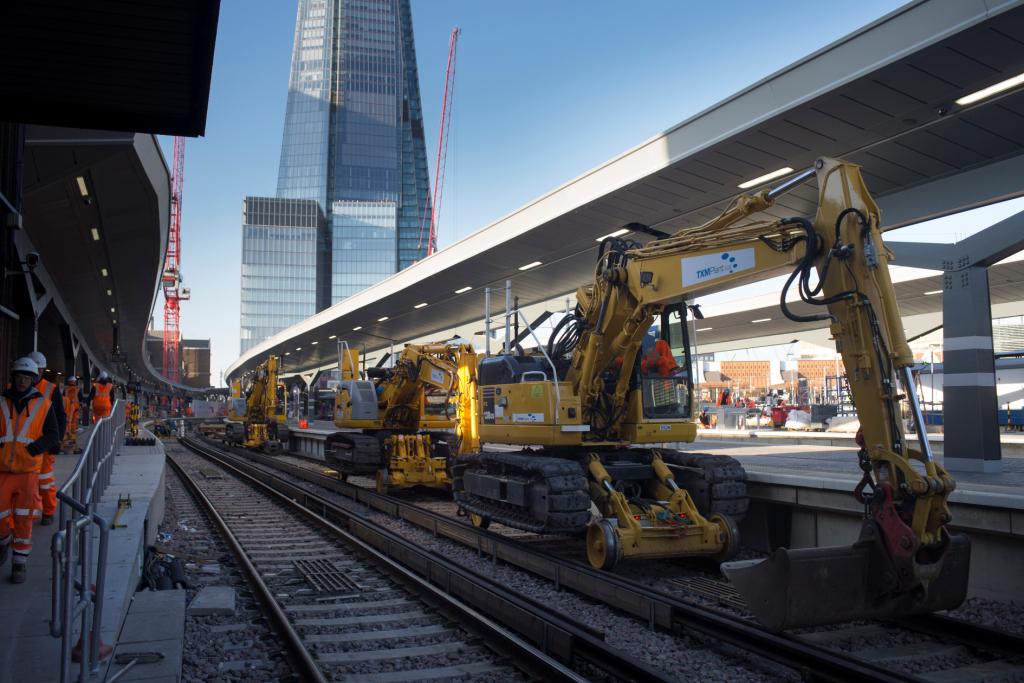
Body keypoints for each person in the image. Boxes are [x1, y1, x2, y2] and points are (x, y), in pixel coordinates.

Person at [0, 357, 60, 582]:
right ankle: (3, 539)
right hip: (2, 470)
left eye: (27, 377)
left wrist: (35, 449)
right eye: (19, 376)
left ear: (33, 380)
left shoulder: (43, 405)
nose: (22, 381)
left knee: (24, 517)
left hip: (27, 472)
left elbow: (53, 434)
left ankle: (19, 562)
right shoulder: (1, 402)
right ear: (13, 378)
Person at [26, 352, 66, 525]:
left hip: (44, 442)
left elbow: (60, 415)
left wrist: (57, 439)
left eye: (40, 370)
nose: (37, 373)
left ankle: (48, 511)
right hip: (22, 443)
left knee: (44, 480)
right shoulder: (16, 387)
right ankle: (25, 514)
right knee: (25, 481)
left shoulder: (51, 389)